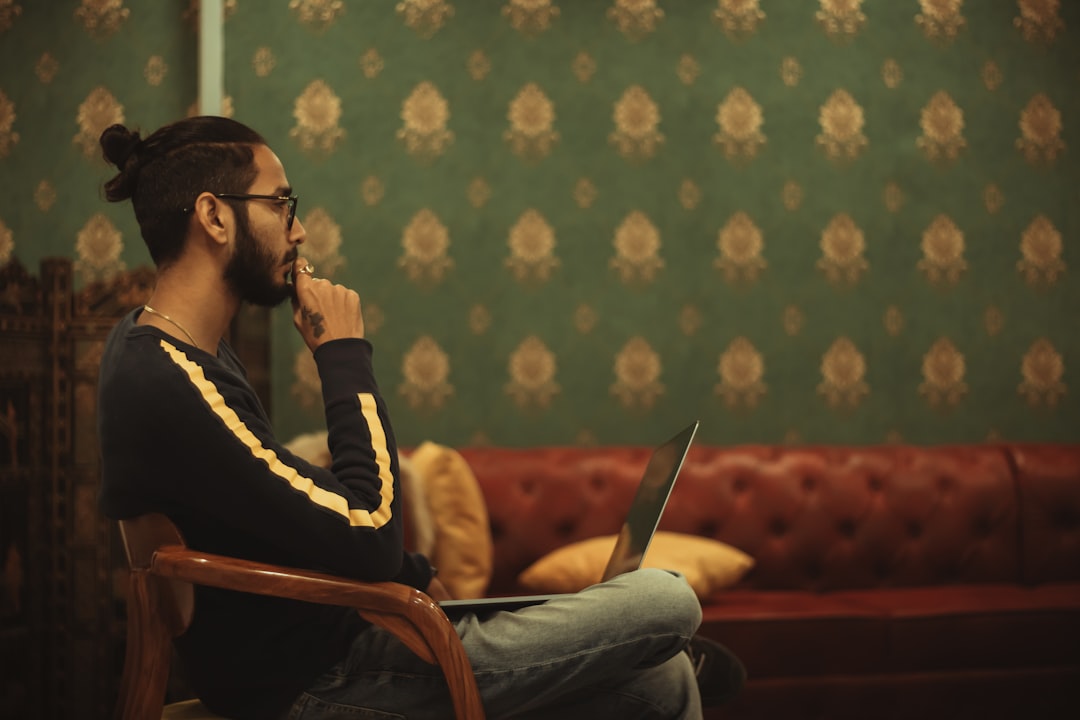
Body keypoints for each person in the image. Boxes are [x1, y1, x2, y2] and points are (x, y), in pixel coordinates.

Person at [96, 116, 744, 719]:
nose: (298, 230)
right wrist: (342, 354)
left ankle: (651, 653)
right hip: (319, 683)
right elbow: (371, 528)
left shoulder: (172, 352)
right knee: (667, 598)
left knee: (664, 682)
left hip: (349, 642)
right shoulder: (171, 378)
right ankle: (645, 639)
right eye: (281, 203)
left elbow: (277, 509)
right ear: (214, 216)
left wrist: (413, 573)